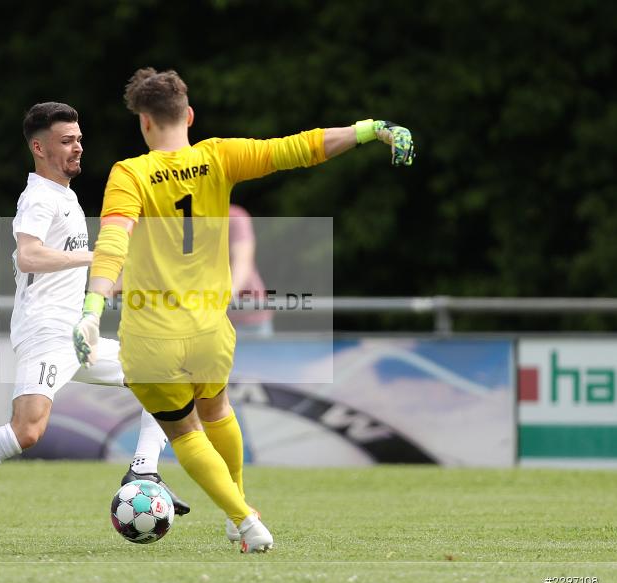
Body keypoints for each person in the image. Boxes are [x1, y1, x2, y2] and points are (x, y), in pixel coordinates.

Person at [73, 68, 414, 553]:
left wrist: (92, 305)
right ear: (188, 115)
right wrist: (370, 129)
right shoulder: (219, 156)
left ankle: (245, 520)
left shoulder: (130, 173)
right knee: (218, 410)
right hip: (211, 329)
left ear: (144, 124)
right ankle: (240, 514)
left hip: (151, 335)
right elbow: (300, 147)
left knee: (185, 432)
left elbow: (112, 240)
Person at [0, 102, 189, 547]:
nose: (78, 147)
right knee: (27, 431)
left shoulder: (66, 196)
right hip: (45, 330)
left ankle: (143, 470)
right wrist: (97, 255)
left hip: (76, 332)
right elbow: (28, 255)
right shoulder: (38, 197)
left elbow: (70, 268)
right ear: (39, 147)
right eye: (66, 140)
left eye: (78, 138)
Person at [228, 204, 273, 337]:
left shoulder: (235, 217)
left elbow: (242, 262)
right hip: (204, 322)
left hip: (249, 319)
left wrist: (227, 295)